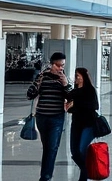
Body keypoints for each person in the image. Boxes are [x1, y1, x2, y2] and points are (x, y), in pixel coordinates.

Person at [27, 52, 72, 181]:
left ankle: (45, 177)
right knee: (47, 147)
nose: (61, 68)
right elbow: (29, 95)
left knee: (52, 147)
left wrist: (65, 84)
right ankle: (45, 174)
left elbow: (70, 98)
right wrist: (38, 82)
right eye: (59, 65)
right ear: (52, 64)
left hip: (57, 118)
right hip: (42, 117)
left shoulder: (64, 78)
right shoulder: (42, 77)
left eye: (63, 65)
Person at [65, 68, 100, 181]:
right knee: (74, 153)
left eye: (78, 75)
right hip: (76, 124)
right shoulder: (74, 92)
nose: (76, 78)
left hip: (88, 124)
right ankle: (86, 169)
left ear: (84, 76)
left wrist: (76, 103)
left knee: (81, 150)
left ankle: (84, 176)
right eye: (75, 76)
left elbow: (94, 106)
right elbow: (69, 108)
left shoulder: (90, 90)